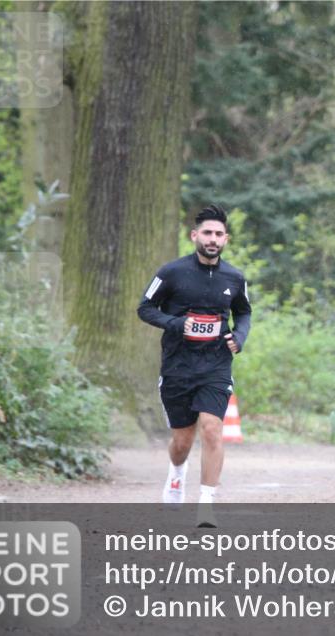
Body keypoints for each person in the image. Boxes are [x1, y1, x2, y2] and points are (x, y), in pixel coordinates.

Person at [137, 204, 251, 527]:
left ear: (226, 239)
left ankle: (206, 503)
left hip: (215, 365)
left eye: (218, 234)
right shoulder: (171, 273)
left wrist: (239, 337)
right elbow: (144, 308)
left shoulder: (234, 277)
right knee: (182, 442)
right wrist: (175, 323)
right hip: (177, 366)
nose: (212, 239)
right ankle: (176, 473)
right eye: (207, 233)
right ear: (194, 236)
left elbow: (243, 312)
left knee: (213, 429)